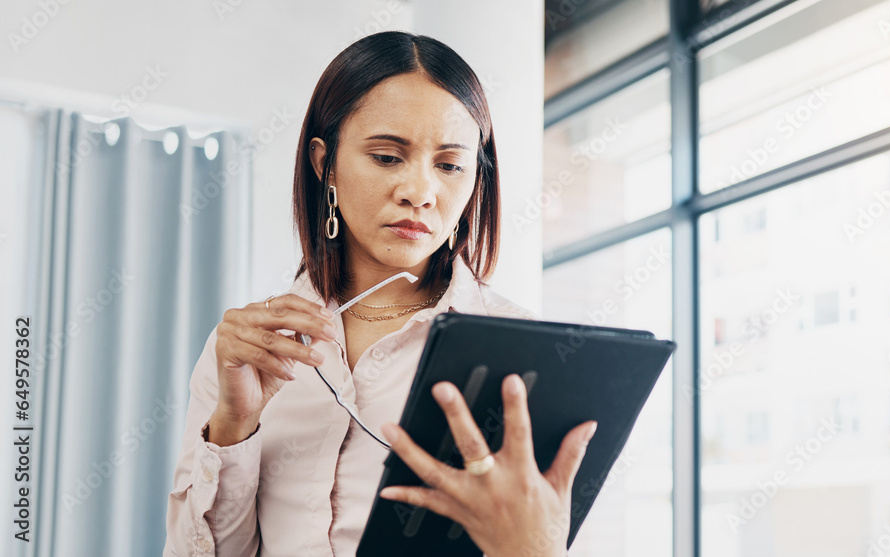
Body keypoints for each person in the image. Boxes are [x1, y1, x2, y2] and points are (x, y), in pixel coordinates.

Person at [163, 31, 597, 557]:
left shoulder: (527, 353)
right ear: (325, 164)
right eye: (389, 157)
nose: (419, 192)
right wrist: (234, 424)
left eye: (450, 165)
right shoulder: (247, 350)